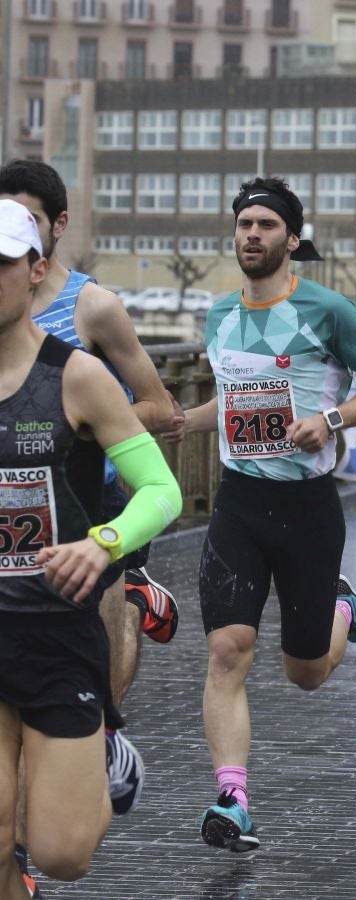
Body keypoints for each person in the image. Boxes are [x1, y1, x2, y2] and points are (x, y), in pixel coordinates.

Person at [171, 177, 356, 851]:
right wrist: (188, 419)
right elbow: (234, 398)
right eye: (244, 224)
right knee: (225, 650)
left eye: (267, 225)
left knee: (304, 673)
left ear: (293, 240)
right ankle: (233, 795)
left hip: (307, 508)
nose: (252, 235)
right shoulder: (218, 315)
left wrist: (329, 419)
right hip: (239, 500)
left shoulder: (327, 310)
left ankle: (340, 608)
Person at [0, 198, 181, 897]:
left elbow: (161, 491)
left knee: (61, 852)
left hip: (56, 634)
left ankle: (108, 765)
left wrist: (104, 543)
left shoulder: (76, 376)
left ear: (35, 270)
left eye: (3, 265)